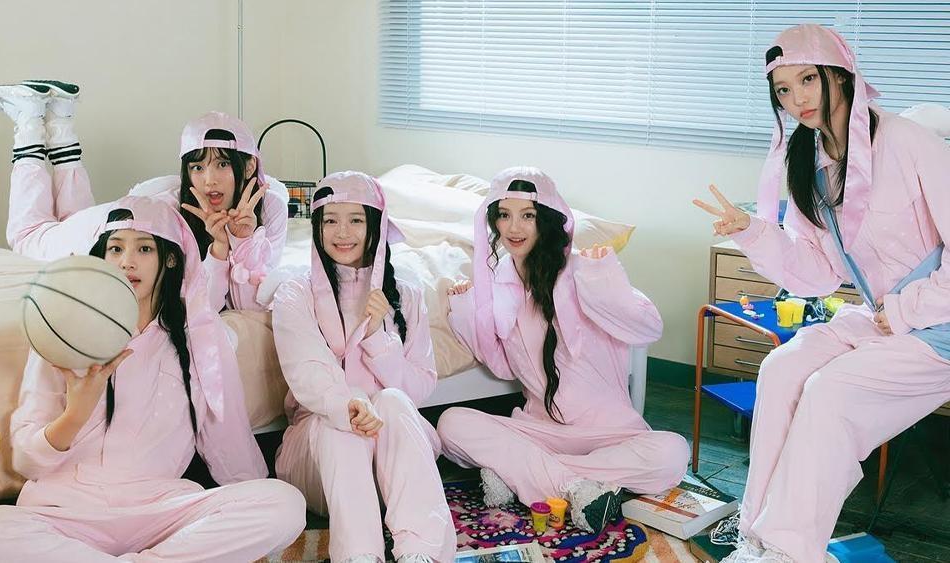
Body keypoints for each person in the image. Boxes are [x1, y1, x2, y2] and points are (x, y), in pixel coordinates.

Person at [693, 24, 950, 563]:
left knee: (829, 392)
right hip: (879, 318)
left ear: (841, 74)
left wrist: (908, 309)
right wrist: (752, 231)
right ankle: (754, 537)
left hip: (939, 326)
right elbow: (816, 276)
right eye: (783, 90)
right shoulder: (809, 161)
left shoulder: (910, 143)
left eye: (808, 79)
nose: (797, 99)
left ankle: (789, 550)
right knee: (782, 367)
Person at [0, 194, 305, 562]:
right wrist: (75, 414)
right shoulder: (61, 328)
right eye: (115, 249)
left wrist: (250, 500)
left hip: (160, 511)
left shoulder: (201, 339)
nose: (127, 261)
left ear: (169, 258)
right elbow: (29, 461)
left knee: (284, 504)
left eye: (144, 248)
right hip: (66, 510)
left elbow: (227, 438)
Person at [437, 166, 688, 535]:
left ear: (547, 218)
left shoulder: (583, 268)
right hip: (539, 431)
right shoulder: (499, 286)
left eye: (527, 215)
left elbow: (648, 327)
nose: (514, 228)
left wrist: (603, 280)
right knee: (451, 424)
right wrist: (464, 310)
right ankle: (575, 487)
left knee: (673, 453)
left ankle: (523, 473)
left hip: (610, 433)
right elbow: (503, 368)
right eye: (504, 215)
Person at [270, 171, 456, 563]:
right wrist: (349, 406)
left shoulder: (407, 294)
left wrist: (379, 336)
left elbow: (420, 388)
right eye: (330, 220)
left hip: (394, 455)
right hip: (320, 459)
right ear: (318, 227)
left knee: (393, 400)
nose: (342, 232)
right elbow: (308, 371)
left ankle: (421, 552)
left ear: (376, 226)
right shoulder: (295, 294)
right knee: (342, 423)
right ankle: (359, 555)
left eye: (356, 219)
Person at [0, 82, 287, 311]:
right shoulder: (167, 213)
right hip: (110, 227)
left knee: (68, 221)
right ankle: (28, 119)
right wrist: (223, 250)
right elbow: (203, 303)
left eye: (222, 164)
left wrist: (241, 241)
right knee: (27, 239)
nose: (209, 181)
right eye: (197, 167)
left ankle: (61, 115)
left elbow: (247, 304)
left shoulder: (270, 205)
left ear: (249, 166)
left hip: (119, 221)